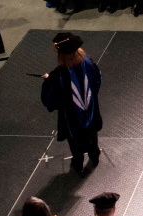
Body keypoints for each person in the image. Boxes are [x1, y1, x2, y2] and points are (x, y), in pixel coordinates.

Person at [41, 32, 104, 170]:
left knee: (75, 141)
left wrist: (48, 81)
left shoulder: (58, 75)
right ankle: (94, 156)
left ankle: (78, 162)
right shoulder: (89, 63)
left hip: (72, 116)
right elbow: (97, 81)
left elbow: (52, 100)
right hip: (90, 109)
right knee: (92, 136)